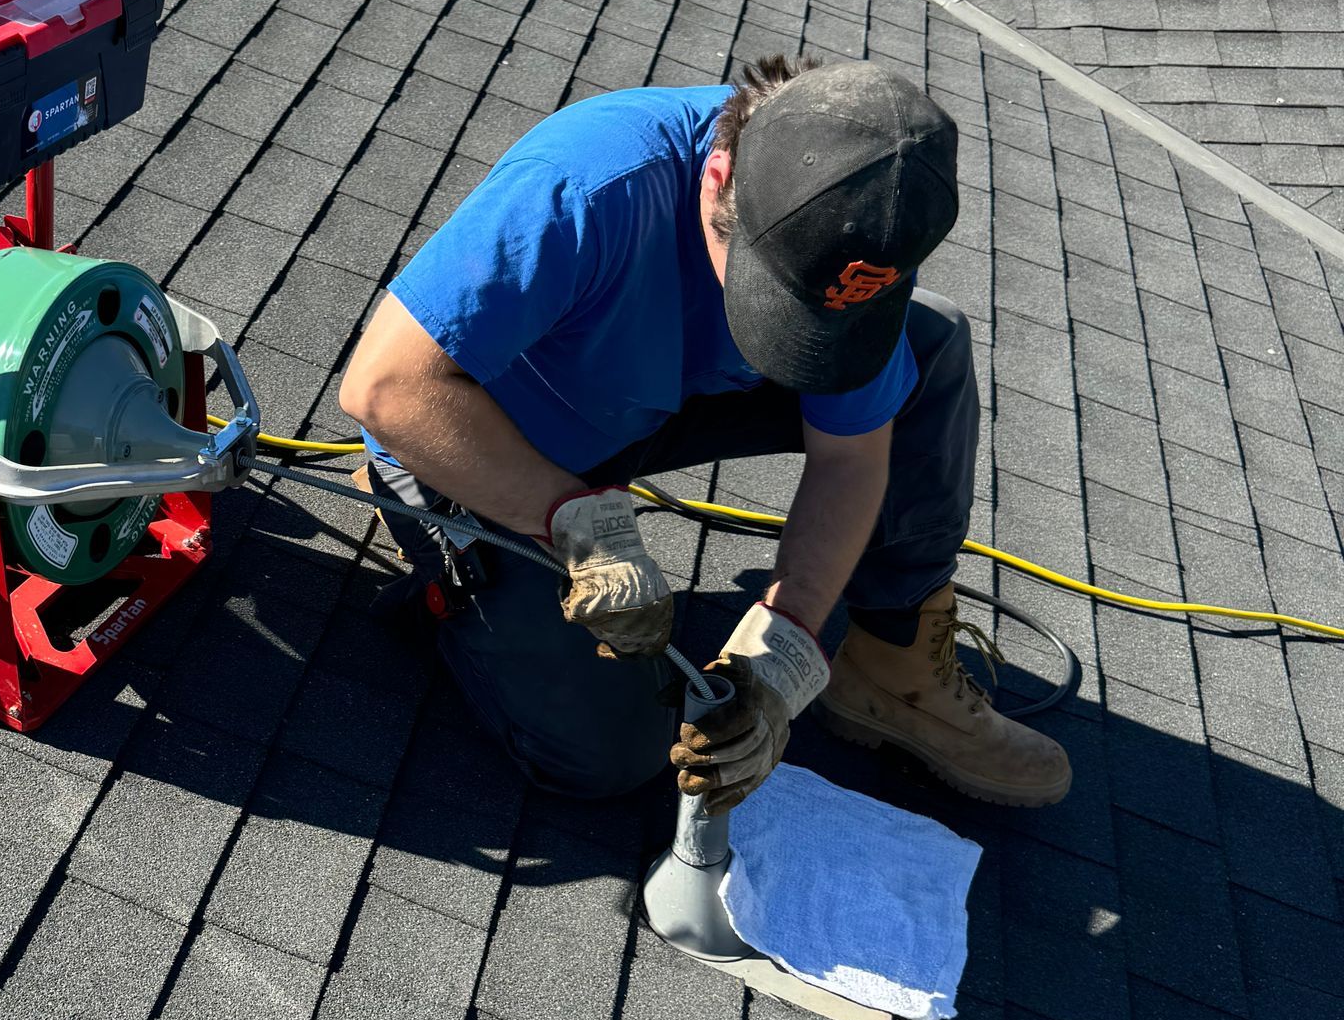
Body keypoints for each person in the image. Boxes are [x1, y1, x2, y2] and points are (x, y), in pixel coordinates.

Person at [339, 56, 1070, 813]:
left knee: (930, 349)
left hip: (650, 402)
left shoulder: (865, 210)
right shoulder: (588, 186)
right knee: (611, 758)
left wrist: (788, 642)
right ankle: (445, 585)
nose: (787, 335)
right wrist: (580, 526)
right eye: (769, 293)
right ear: (718, 175)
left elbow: (852, 458)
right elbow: (385, 386)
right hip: (488, 443)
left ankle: (892, 667)